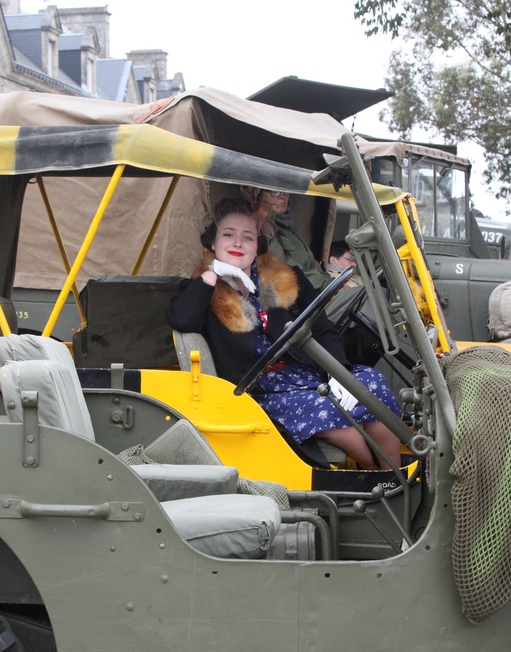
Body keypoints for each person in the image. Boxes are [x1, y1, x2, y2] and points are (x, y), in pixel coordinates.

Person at [167, 197, 401, 470]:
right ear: (213, 243)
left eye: (247, 237)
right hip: (261, 387)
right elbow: (181, 319)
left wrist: (337, 372)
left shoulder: (287, 277)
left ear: (257, 246)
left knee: (371, 383)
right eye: (228, 235)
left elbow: (323, 329)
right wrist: (212, 273)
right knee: (333, 418)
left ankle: (393, 478)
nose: (238, 243)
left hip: (309, 372)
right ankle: (375, 476)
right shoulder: (202, 289)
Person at [240, 185, 332, 291]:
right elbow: (283, 266)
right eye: (275, 191)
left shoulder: (286, 226)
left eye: (285, 191)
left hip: (317, 290)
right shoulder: (261, 228)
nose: (282, 196)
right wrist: (326, 284)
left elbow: (311, 262)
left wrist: (332, 283)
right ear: (259, 196)